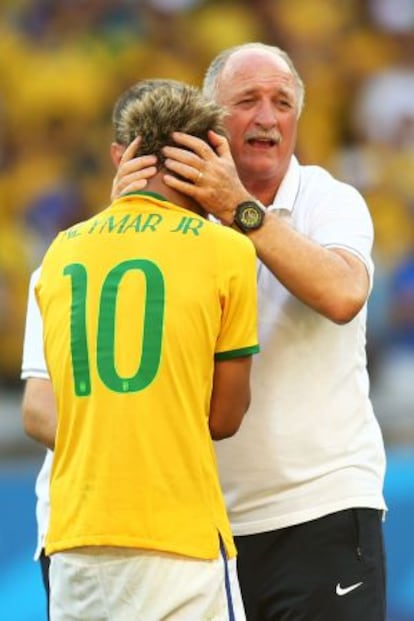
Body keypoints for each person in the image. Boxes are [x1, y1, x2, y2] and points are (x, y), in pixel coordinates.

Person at [111, 43, 388, 621]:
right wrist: (123, 227)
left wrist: (237, 207)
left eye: (282, 102)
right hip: (204, 530)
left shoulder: (329, 200)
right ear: (211, 118)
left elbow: (342, 294)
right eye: (247, 101)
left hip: (321, 513)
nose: (267, 117)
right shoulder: (175, 217)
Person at [23, 77, 260, 621]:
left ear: (125, 155)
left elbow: (42, 404)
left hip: (74, 539)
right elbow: (225, 417)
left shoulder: (61, 250)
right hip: (177, 537)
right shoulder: (226, 250)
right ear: (210, 154)